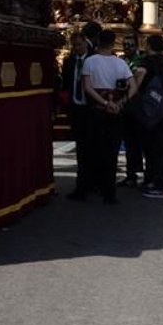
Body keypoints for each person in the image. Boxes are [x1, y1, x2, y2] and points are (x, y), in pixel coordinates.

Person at [127, 34, 163, 198]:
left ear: (148, 46)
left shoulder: (147, 62)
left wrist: (127, 98)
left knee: (155, 148)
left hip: (155, 112)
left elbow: (138, 80)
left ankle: (160, 186)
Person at [81, 31, 132, 205]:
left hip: (97, 109)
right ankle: (110, 192)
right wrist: (120, 103)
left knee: (94, 149)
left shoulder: (89, 61)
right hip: (116, 110)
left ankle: (92, 186)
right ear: (113, 43)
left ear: (98, 42)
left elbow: (87, 87)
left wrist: (104, 102)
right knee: (112, 152)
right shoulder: (121, 63)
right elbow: (133, 87)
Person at [62, 22, 99, 201]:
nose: (77, 48)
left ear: (86, 43)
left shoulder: (94, 59)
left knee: (94, 147)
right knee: (81, 149)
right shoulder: (69, 61)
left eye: (79, 45)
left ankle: (93, 182)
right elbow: (66, 84)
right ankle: (82, 186)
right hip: (77, 108)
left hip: (91, 108)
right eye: (74, 45)